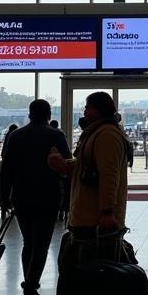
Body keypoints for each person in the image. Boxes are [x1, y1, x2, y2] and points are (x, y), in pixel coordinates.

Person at [0, 99, 70, 295]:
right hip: (48, 196)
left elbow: (7, 168)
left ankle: (30, 288)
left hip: (22, 196)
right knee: (41, 245)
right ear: (48, 114)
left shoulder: (16, 136)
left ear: (29, 114)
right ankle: (31, 291)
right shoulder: (55, 135)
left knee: (28, 242)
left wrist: (4, 196)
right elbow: (66, 165)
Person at [48, 91, 128, 234]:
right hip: (87, 215)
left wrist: (107, 212)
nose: (84, 112)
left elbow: (109, 175)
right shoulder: (97, 132)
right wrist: (64, 165)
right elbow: (87, 166)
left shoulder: (107, 135)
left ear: (99, 110)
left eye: (87, 107)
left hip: (95, 218)